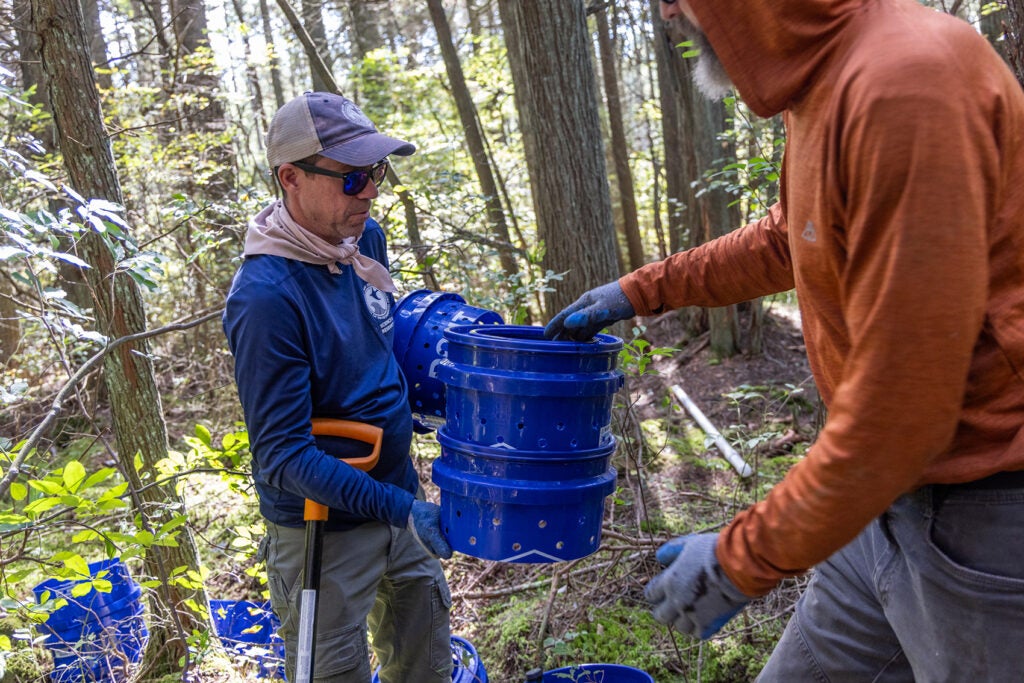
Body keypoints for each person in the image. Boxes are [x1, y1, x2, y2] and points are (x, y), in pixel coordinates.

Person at [546, 0, 1024, 680]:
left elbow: (904, 409)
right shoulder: (832, 80)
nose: (666, 12)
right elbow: (788, 235)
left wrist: (745, 556)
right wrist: (640, 289)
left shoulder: (906, 83)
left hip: (986, 518)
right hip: (881, 504)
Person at [223, 91, 453, 683]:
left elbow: (377, 346)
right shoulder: (267, 298)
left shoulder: (361, 241)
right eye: (352, 178)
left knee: (425, 663)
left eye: (374, 171)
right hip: (321, 530)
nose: (371, 190)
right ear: (291, 178)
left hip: (400, 500)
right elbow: (281, 455)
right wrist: (401, 508)